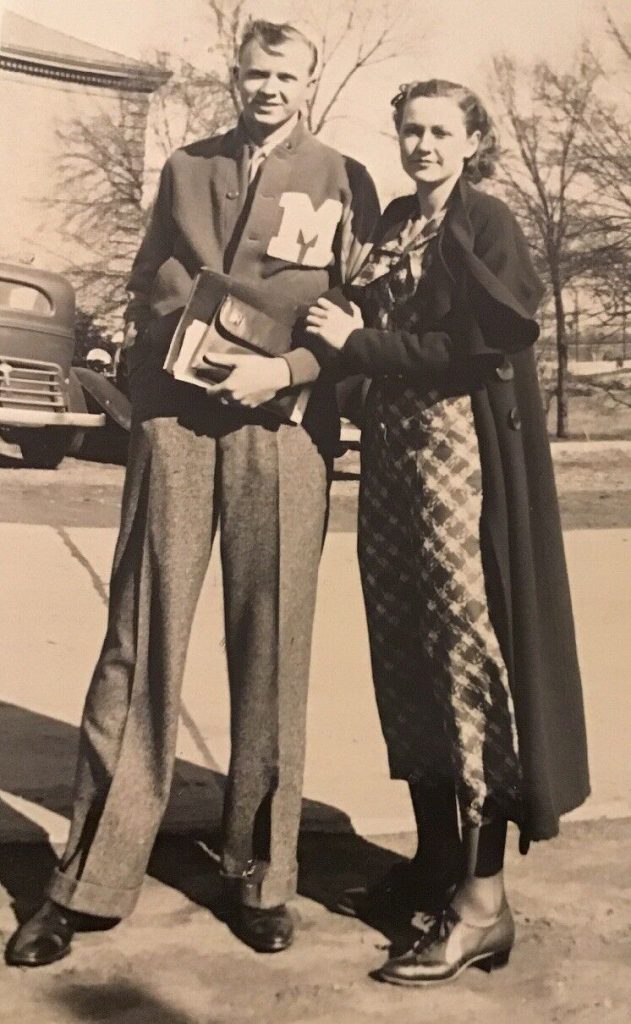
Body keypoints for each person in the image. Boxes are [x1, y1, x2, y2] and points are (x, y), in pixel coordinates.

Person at [6, 20, 379, 967]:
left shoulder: (342, 176)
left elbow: (359, 319)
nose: (268, 87)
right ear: (234, 76)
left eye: (285, 75)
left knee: (272, 645)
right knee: (140, 638)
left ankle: (260, 877)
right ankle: (88, 881)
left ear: (308, 79)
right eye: (254, 73)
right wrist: (178, 343)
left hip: (284, 429)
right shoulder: (184, 166)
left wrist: (286, 369)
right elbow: (148, 276)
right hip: (177, 419)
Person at [204, 78, 590, 986]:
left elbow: (480, 349)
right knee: (407, 655)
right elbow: (334, 323)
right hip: (391, 466)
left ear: (471, 140)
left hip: (460, 465)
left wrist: (357, 344)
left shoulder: (485, 221)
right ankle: (432, 867)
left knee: (465, 657)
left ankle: (482, 902)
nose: (422, 145)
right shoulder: (388, 230)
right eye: (409, 129)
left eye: (440, 132)